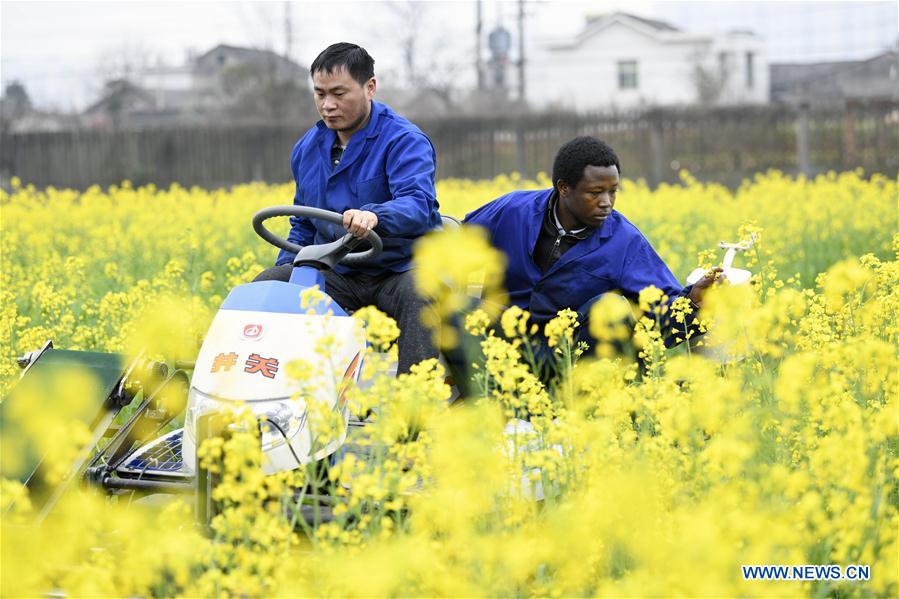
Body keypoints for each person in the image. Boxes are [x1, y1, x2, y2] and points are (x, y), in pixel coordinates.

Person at [254, 42, 441, 374]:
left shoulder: (404, 140)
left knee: (421, 293)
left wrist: (375, 215)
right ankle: (268, 402)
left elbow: (418, 204)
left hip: (399, 269)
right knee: (269, 287)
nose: (328, 105)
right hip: (340, 273)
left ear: (370, 87)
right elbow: (303, 225)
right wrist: (291, 274)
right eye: (320, 93)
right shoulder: (307, 150)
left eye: (339, 93)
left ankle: (413, 413)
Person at [463, 136, 721, 374]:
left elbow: (661, 306)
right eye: (595, 192)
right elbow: (454, 240)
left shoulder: (624, 241)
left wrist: (694, 301)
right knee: (450, 306)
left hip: (569, 356)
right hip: (500, 346)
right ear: (564, 188)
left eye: (613, 191)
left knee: (612, 309)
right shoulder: (514, 210)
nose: (606, 202)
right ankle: (456, 401)